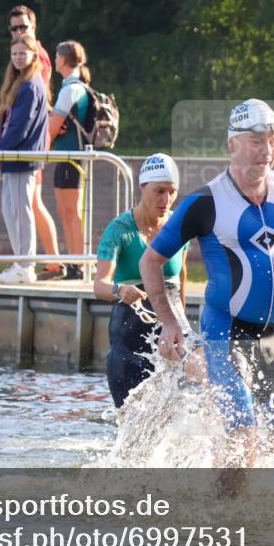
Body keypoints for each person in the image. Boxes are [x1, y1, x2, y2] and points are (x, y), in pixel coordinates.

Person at [140, 99, 274, 467]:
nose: (267, 151)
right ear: (232, 144)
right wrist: (168, 322)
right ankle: (222, 503)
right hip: (225, 334)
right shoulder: (205, 202)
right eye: (257, 141)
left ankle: (269, 508)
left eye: (273, 141)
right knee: (241, 444)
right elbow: (150, 260)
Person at [94, 153, 190, 407]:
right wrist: (119, 290)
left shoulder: (178, 228)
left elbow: (181, 279)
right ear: (142, 187)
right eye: (159, 191)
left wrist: (183, 324)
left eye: (172, 192)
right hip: (129, 339)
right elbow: (99, 285)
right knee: (130, 420)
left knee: (173, 415)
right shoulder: (119, 230)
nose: (166, 200)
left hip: (170, 335)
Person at [7, 5, 63, 279]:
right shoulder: (21, 53)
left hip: (29, 146)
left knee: (31, 203)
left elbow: (32, 105)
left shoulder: (36, 56)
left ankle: (49, 262)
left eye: (23, 27)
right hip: (30, 143)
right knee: (32, 202)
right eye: (14, 28)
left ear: (33, 27)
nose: (19, 32)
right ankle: (49, 261)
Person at [0, 35, 50, 284]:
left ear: (34, 55)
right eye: (14, 54)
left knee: (20, 211)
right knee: (10, 210)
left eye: (22, 53)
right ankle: (20, 262)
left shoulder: (30, 86)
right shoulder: (21, 83)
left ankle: (26, 265)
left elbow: (20, 126)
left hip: (21, 158)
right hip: (13, 158)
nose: (17, 58)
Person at [48, 40, 91, 280]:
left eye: (56, 57)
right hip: (69, 158)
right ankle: (76, 263)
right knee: (67, 212)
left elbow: (52, 128)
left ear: (63, 60)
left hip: (70, 158)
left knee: (70, 212)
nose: (55, 60)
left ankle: (78, 265)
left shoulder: (70, 89)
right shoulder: (75, 86)